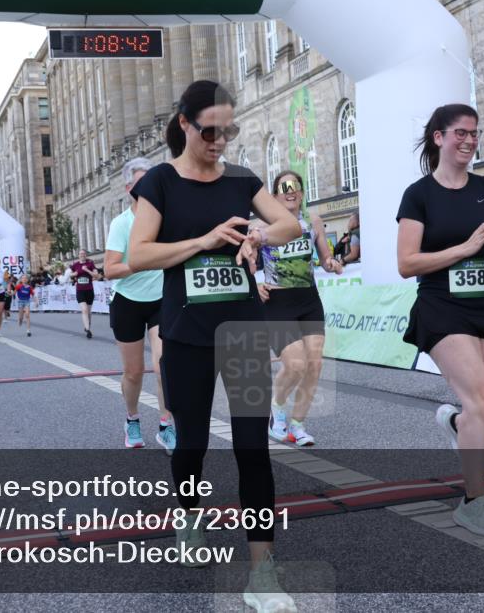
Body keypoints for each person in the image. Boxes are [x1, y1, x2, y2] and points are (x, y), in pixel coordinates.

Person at [128, 79, 300, 610]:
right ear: (184, 125)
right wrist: (203, 241)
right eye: (210, 130)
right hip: (187, 337)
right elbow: (138, 255)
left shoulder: (243, 180)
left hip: (244, 329)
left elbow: (289, 223)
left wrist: (258, 236)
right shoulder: (159, 183)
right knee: (193, 443)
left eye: (228, 129)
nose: (220, 140)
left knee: (253, 449)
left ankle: (262, 572)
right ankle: (188, 514)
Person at [397, 103, 484, 537]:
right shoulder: (419, 194)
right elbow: (406, 263)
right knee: (481, 399)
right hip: (442, 306)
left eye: (475, 133)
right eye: (461, 133)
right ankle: (473, 501)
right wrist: (467, 246)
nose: (469, 141)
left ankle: (456, 424)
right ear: (439, 138)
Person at [257, 170, 343, 447]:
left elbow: (325, 257)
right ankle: (277, 409)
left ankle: (298, 426)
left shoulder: (313, 222)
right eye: (284, 188)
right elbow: (244, 259)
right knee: (295, 365)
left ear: (302, 193)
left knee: (314, 365)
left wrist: (331, 263)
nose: (290, 191)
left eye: (295, 187)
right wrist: (252, 285)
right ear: (274, 196)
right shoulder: (262, 225)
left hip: (308, 300)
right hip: (278, 303)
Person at [104, 158, 176, 453]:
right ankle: (132, 419)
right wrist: (141, 262)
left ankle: (166, 424)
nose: (148, 188)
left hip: (161, 299)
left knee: (164, 367)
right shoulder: (122, 223)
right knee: (134, 372)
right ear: (128, 187)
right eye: (141, 182)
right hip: (128, 302)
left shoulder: (166, 218)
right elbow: (110, 269)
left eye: (152, 182)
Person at [70, 249, 101, 338]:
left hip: (89, 290)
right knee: (84, 310)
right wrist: (74, 274)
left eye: (84, 254)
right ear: (78, 255)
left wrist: (87, 270)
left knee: (89, 312)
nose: (82, 255)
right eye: (80, 254)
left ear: (86, 255)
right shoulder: (75, 265)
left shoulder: (90, 263)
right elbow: (70, 275)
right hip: (80, 290)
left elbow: (96, 275)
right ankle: (88, 330)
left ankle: (88, 326)